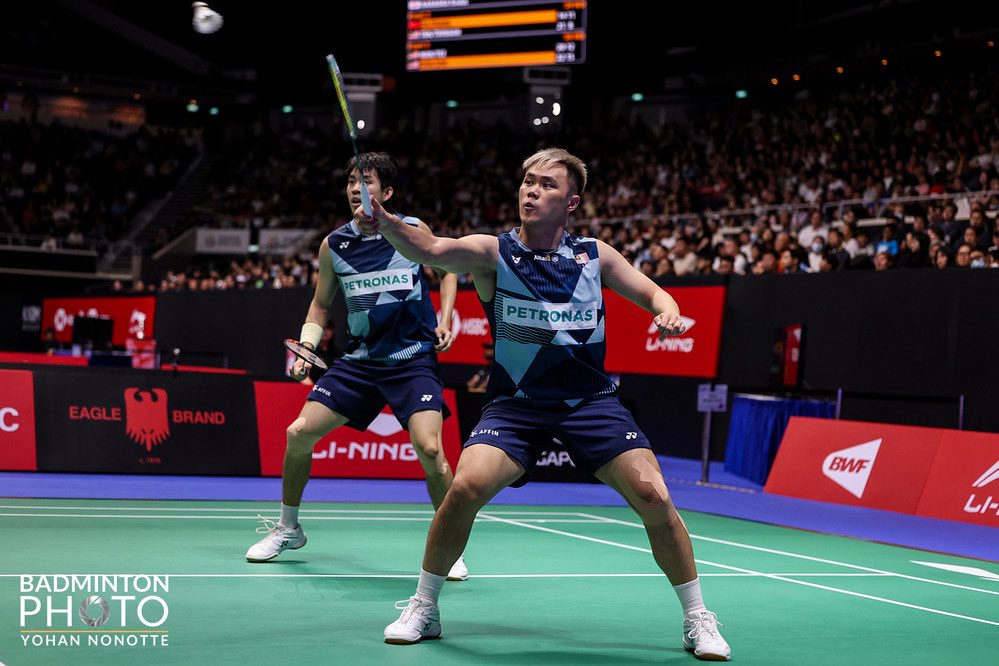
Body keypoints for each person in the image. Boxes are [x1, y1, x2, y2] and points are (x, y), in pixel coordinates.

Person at [366, 148, 731, 661]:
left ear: (571, 202)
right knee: (465, 486)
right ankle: (424, 606)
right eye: (528, 182)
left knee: (653, 495)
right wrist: (385, 222)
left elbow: (656, 295)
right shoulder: (494, 253)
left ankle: (697, 617)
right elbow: (430, 248)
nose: (532, 191)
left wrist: (667, 311)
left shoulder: (595, 256)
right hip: (517, 404)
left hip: (589, 402)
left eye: (546, 185)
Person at [245, 152, 470, 581]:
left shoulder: (412, 230)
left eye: (365, 181)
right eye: (351, 181)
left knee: (430, 450)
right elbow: (320, 305)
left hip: (412, 360)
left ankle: (449, 545)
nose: (355, 188)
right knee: (298, 433)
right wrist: (306, 347)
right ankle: (288, 528)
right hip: (360, 362)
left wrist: (445, 319)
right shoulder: (335, 245)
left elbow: (448, 269)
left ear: (387, 192)